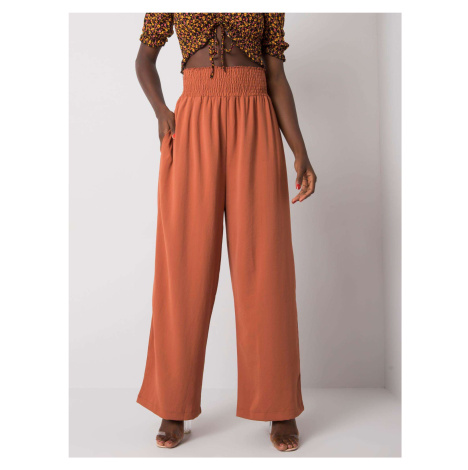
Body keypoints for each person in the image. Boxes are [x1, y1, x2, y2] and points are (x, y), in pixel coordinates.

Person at [135, 13, 317, 452]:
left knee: (266, 267)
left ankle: (280, 405)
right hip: (191, 120)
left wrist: (300, 150)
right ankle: (173, 404)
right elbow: (144, 59)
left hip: (256, 118)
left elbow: (276, 76)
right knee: (184, 267)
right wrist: (161, 110)